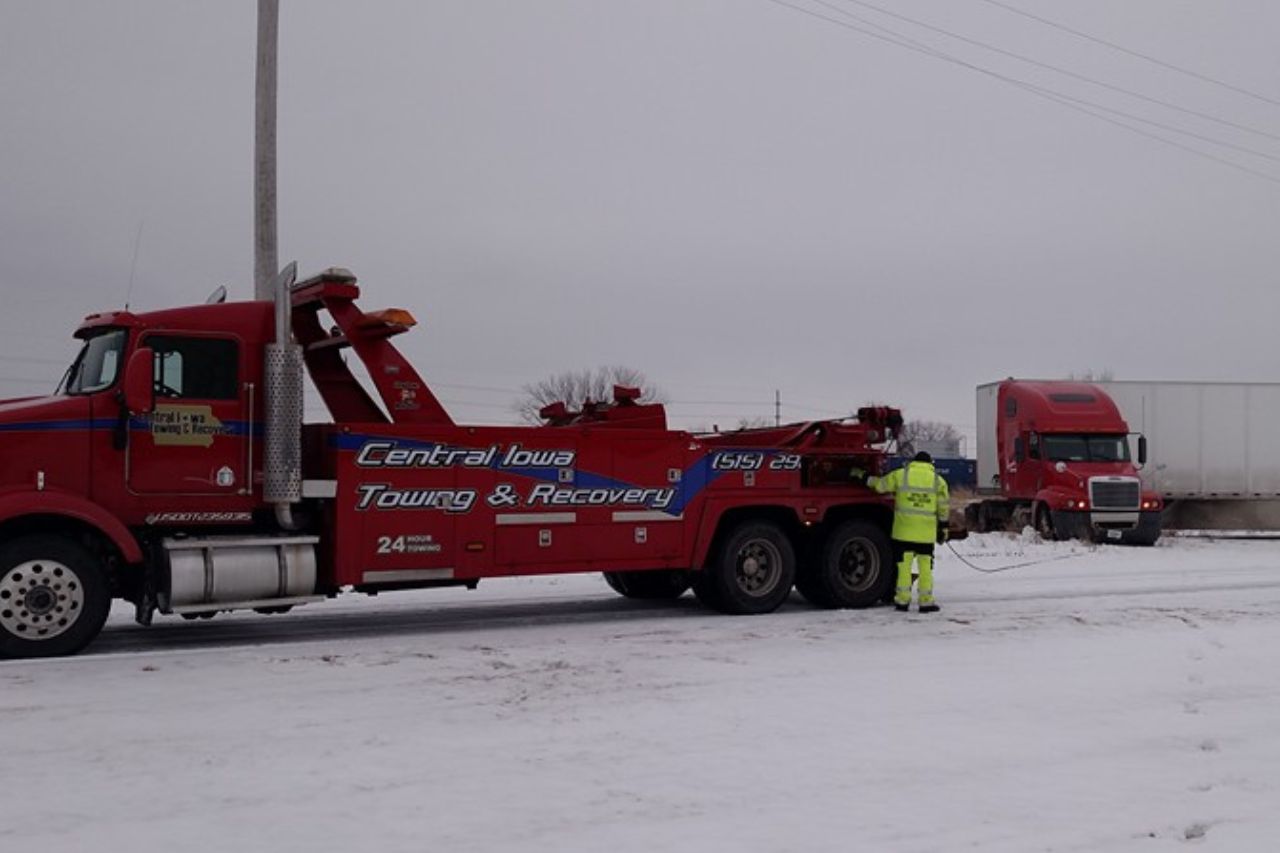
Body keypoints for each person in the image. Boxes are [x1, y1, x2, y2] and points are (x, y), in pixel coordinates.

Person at [856, 451, 950, 613]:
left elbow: (879, 486)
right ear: (930, 464)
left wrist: (862, 476)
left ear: (914, 462)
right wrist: (943, 528)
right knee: (925, 567)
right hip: (925, 535)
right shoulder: (938, 481)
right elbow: (943, 508)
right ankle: (926, 602)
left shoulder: (902, 475)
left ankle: (902, 601)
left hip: (903, 533)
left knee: (903, 567)